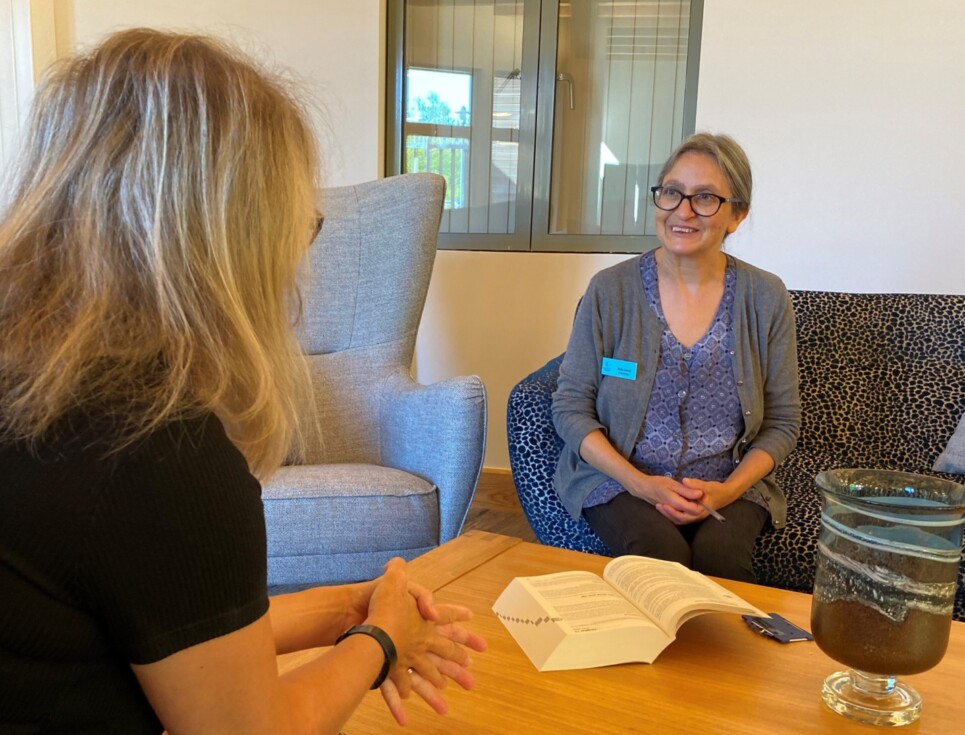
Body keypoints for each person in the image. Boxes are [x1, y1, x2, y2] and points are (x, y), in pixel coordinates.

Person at [0, 28, 485, 735]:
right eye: (303, 225)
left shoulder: (34, 385)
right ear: (231, 240)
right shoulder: (156, 451)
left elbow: (162, 623)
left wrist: (341, 608)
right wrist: (377, 646)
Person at [551, 133, 801, 582]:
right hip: (621, 479)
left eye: (705, 198)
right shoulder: (611, 291)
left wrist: (727, 492)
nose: (682, 212)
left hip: (728, 484)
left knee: (722, 559)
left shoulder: (766, 297)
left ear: (737, 216)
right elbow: (570, 406)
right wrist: (638, 483)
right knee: (659, 555)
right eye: (671, 192)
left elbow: (783, 422)